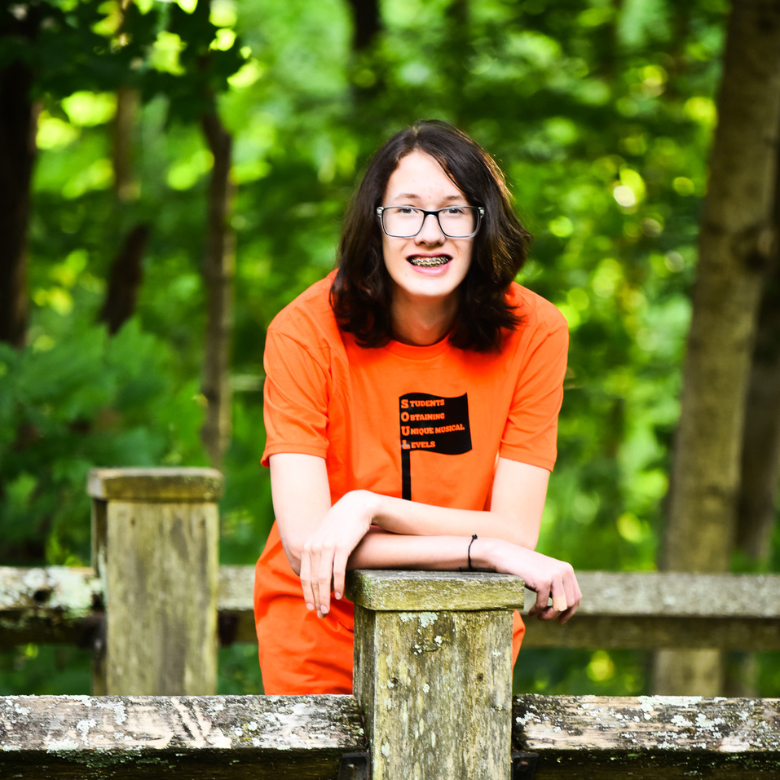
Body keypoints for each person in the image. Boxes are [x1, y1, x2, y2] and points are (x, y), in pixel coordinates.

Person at [254, 119, 582, 695]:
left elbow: (516, 530)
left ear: (483, 224)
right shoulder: (303, 332)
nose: (430, 234)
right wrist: (485, 550)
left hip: (468, 639)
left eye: (454, 211)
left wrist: (367, 508)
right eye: (406, 211)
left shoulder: (536, 333)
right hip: (322, 639)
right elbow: (307, 543)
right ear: (375, 224)